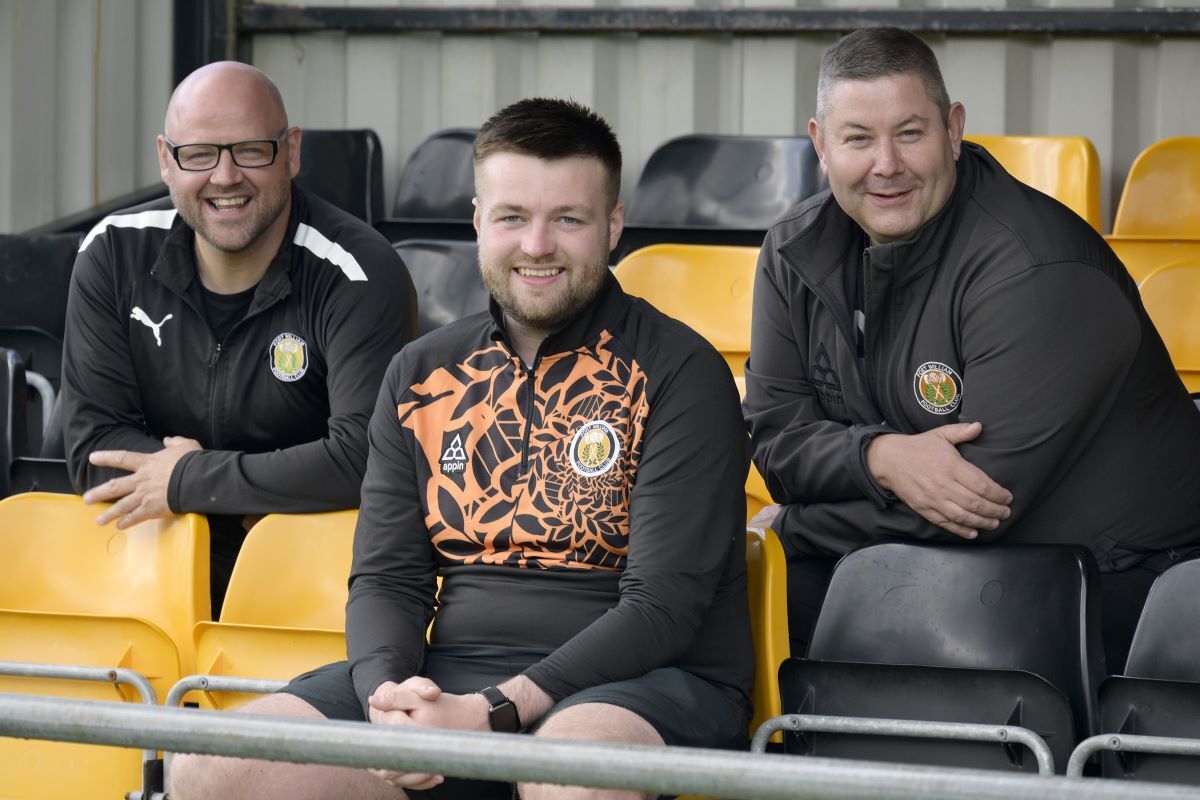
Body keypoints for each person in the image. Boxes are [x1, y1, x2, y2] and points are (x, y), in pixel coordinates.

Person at [169, 97, 753, 800]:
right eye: (512, 217)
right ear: (478, 221)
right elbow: (387, 577)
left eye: (567, 218)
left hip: (639, 685)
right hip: (452, 678)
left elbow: (661, 607)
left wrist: (493, 712)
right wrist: (391, 702)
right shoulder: (421, 373)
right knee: (211, 768)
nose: (537, 246)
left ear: (613, 227)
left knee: (573, 778)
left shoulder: (680, 372)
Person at [744, 27, 1200, 668]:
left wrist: (792, 530)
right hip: (933, 566)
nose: (886, 165)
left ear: (952, 130)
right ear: (820, 144)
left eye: (910, 133)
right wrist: (878, 457)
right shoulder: (793, 252)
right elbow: (775, 447)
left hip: (1120, 583)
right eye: (857, 139)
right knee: (721, 606)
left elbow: (978, 506)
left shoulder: (1037, 267)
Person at [61, 61, 416, 614]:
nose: (225, 177)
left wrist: (195, 479)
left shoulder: (358, 271)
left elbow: (365, 458)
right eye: (199, 154)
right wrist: (242, 490)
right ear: (165, 160)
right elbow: (93, 446)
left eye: (251, 150)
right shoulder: (113, 253)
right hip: (148, 567)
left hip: (315, 583)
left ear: (291, 152)